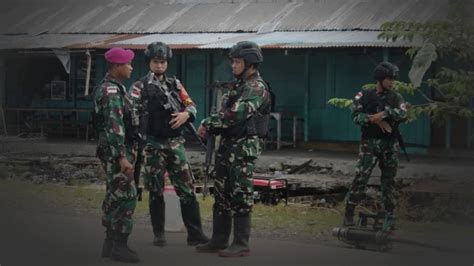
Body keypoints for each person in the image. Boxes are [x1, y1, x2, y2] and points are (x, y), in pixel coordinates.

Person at [196, 41, 271, 257]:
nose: (233, 65)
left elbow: (235, 114)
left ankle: (241, 243)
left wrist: (208, 123)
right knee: (221, 193)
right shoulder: (238, 86)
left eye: (237, 62)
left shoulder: (257, 87)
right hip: (228, 146)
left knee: (241, 194)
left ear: (249, 64)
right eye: (233, 61)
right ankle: (219, 240)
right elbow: (225, 114)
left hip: (244, 148)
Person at [130, 42, 209, 247]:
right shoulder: (140, 86)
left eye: (163, 62)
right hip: (152, 145)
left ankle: (195, 233)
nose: (159, 65)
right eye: (156, 62)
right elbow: (131, 112)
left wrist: (185, 114)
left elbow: (191, 105)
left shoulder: (176, 84)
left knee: (187, 189)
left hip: (174, 144)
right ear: (149, 62)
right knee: (155, 190)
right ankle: (159, 234)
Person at [343, 61, 407, 230]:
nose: (392, 82)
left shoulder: (395, 97)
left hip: (389, 144)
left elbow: (402, 114)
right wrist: (375, 119)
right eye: (389, 79)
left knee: (388, 181)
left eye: (393, 79)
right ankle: (349, 212)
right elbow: (356, 116)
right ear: (380, 79)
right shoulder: (364, 95)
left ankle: (390, 215)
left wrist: (385, 113)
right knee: (361, 178)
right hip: (369, 144)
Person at [93, 47, 140, 263]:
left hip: (115, 150)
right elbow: (114, 126)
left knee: (114, 195)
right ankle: (119, 246)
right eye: (128, 64)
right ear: (117, 66)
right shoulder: (111, 92)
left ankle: (109, 245)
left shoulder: (114, 88)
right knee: (126, 196)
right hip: (117, 153)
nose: (131, 67)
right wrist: (122, 157)